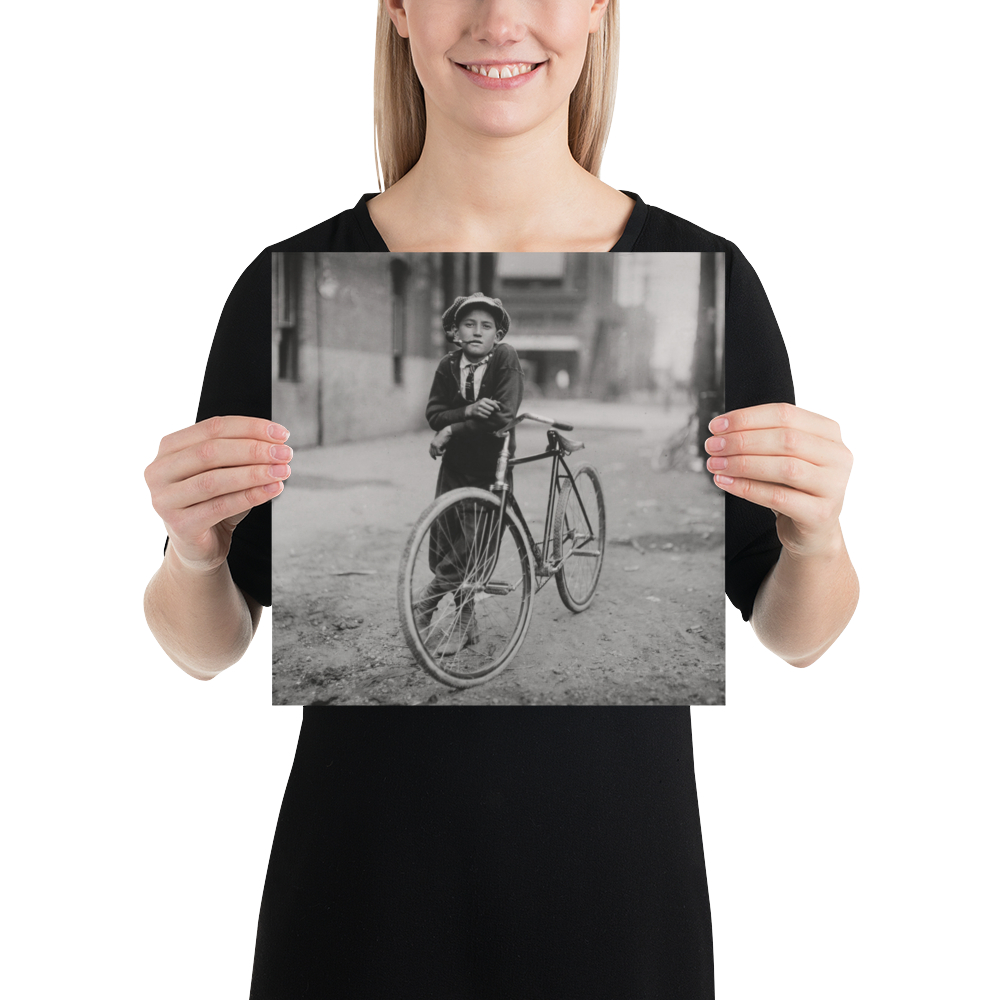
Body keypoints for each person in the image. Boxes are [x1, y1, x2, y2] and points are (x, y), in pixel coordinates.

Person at [142, 2, 858, 995]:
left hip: (616, 916)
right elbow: (208, 646)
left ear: (603, 8)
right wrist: (191, 552)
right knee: (454, 543)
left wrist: (818, 538)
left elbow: (796, 634)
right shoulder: (273, 282)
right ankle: (456, 587)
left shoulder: (716, 278)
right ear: (395, 9)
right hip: (355, 915)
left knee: (498, 508)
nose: (500, 17)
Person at [416, 293, 524, 654]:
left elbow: (503, 415)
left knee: (474, 544)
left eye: (487, 326)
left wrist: (453, 428)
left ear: (498, 334)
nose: (477, 332)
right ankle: (468, 625)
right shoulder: (449, 366)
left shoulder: (505, 358)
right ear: (455, 331)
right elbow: (433, 413)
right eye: (469, 324)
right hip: (455, 466)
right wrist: (468, 411)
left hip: (492, 464)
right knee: (446, 538)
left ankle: (429, 604)